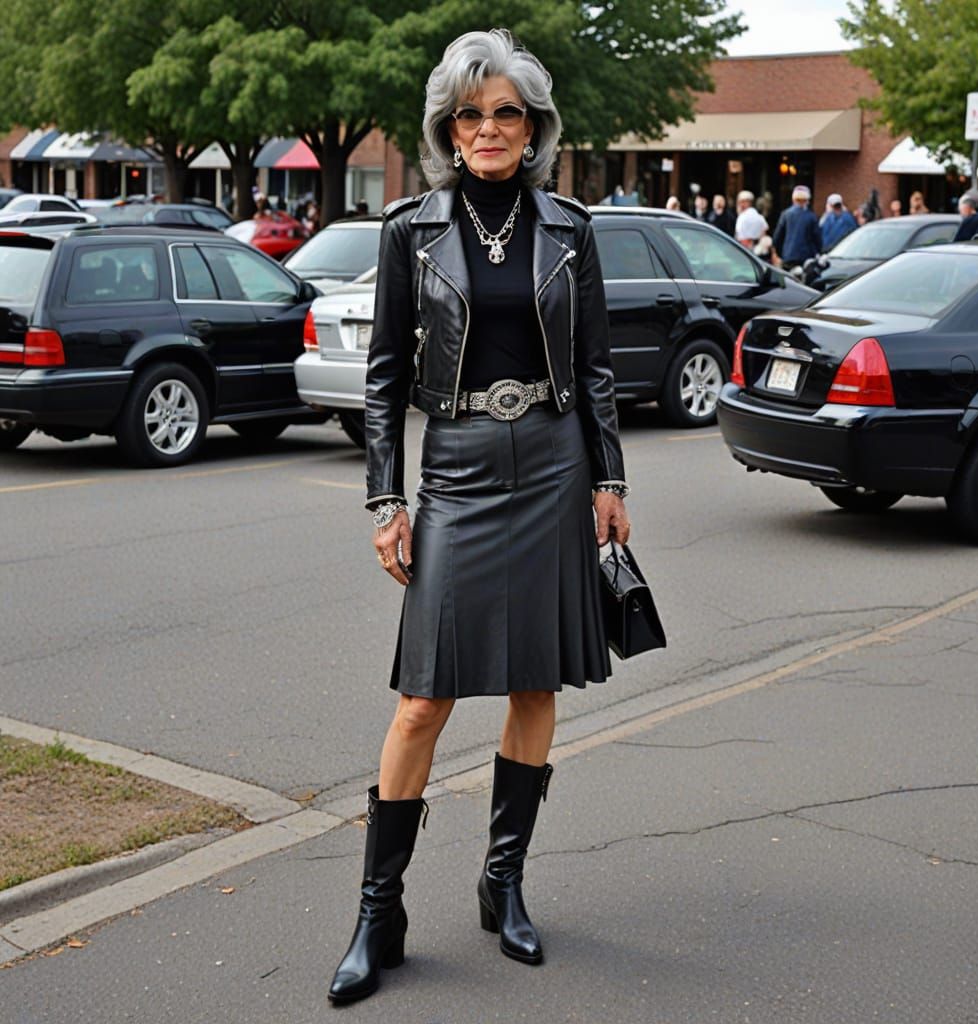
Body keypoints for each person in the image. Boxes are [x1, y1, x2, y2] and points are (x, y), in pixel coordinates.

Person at [327, 28, 630, 1006]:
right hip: (454, 469)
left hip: (550, 464)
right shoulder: (409, 228)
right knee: (424, 697)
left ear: (532, 126)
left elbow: (592, 370)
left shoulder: (571, 228)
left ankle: (503, 884)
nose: (489, 128)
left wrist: (609, 480)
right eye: (471, 113)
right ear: (447, 129)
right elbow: (380, 382)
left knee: (535, 685)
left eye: (506, 112)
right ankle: (381, 911)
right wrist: (386, 497)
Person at [772, 184, 822, 271]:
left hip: (788, 256)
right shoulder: (811, 216)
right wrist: (818, 252)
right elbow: (817, 238)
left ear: (793, 199)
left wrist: (780, 253)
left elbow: (777, 237)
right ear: (807, 200)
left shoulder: (785, 214)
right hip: (806, 257)